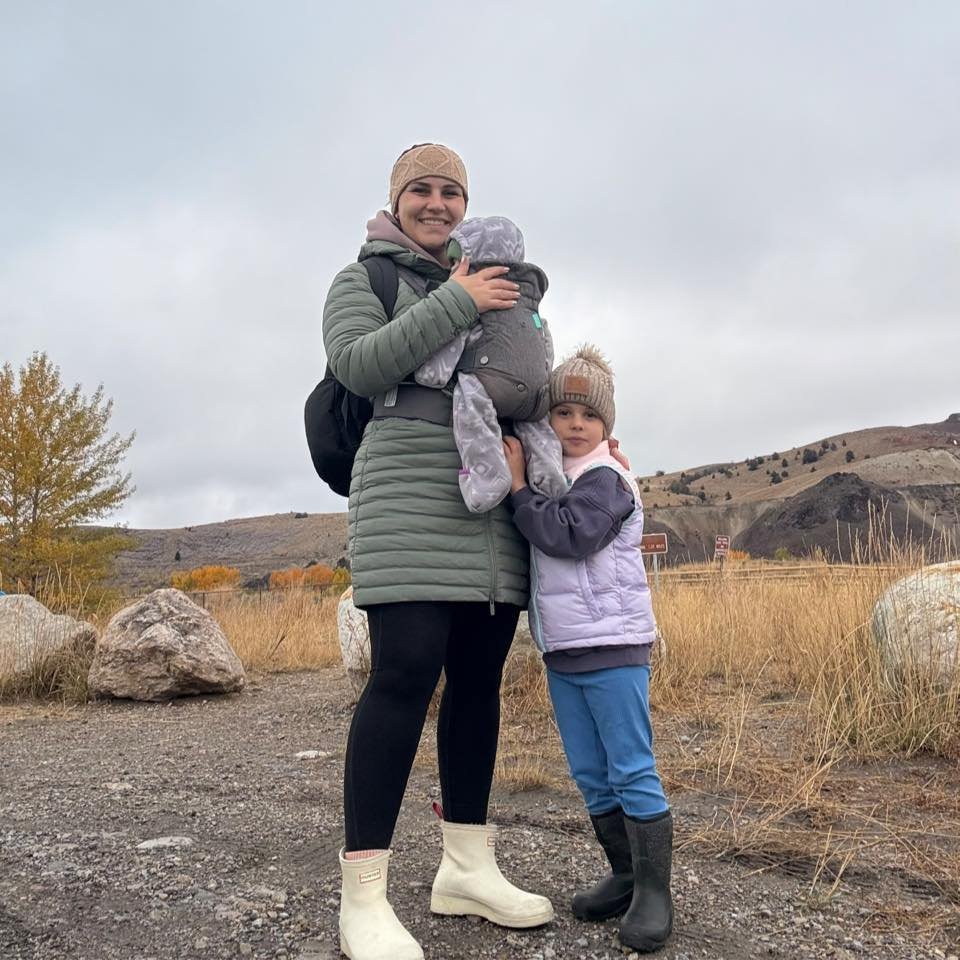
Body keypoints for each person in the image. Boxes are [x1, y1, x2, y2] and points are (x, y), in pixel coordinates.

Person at [322, 143, 554, 960]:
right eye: (420, 189)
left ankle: (466, 865)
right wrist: (456, 299)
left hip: (489, 516)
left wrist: (583, 452)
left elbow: (527, 379)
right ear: (396, 199)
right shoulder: (366, 281)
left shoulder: (496, 277)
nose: (437, 203)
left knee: (479, 685)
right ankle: (365, 897)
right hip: (407, 500)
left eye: (451, 191)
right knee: (403, 676)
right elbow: (358, 366)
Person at [502, 345, 674, 954]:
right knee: (591, 774)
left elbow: (567, 535)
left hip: (613, 645)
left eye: (589, 416)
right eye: (564, 411)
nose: (575, 424)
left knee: (631, 768)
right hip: (564, 651)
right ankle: (626, 877)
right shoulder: (566, 476)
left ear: (608, 427)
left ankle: (656, 894)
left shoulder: (607, 479)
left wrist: (518, 486)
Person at [412, 214, 565, 513]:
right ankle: (551, 477)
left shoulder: (476, 298)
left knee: (471, 408)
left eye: (457, 261)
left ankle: (488, 478)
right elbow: (544, 341)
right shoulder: (528, 300)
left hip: (493, 381)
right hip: (537, 390)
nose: (452, 269)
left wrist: (432, 372)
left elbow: (440, 363)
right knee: (536, 424)